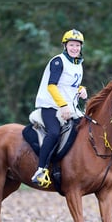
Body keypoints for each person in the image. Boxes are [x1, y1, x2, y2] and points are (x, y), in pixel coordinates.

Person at [31, 29, 88, 187]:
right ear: (65, 45)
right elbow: (52, 86)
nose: (75, 48)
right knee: (54, 133)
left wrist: (80, 89)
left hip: (69, 107)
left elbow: (68, 86)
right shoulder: (58, 61)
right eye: (72, 45)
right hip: (51, 106)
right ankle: (41, 170)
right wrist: (63, 106)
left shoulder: (78, 64)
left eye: (77, 45)